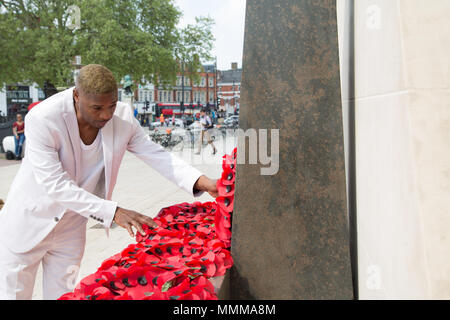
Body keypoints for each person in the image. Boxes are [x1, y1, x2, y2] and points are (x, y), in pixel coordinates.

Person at [0, 64, 218, 300]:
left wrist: (203, 182)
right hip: (28, 222)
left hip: (71, 229)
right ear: (76, 95)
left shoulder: (122, 117)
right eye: (97, 107)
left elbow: (157, 154)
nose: (106, 114)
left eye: (111, 105)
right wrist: (113, 211)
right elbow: (54, 183)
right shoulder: (43, 118)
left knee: (62, 296)